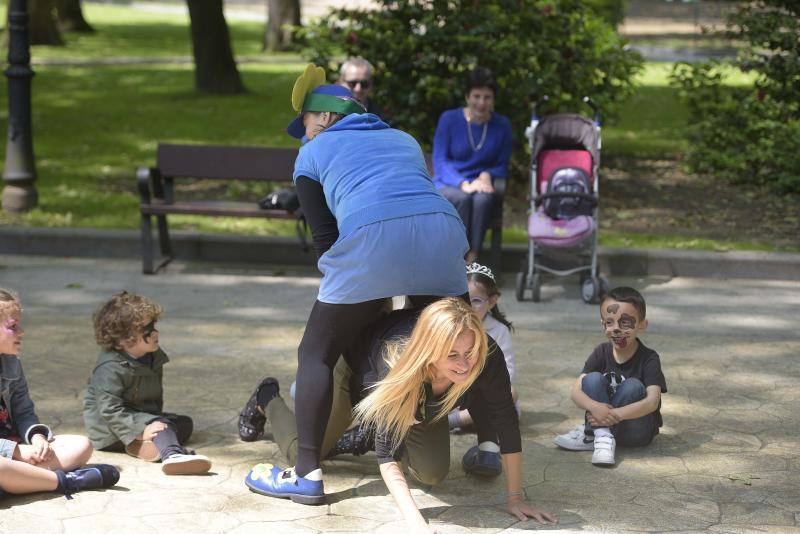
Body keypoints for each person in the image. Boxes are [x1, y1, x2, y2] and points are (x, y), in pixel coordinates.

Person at [239, 65, 469, 502]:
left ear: (323, 118)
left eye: (304, 124)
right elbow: (412, 198)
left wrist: (357, 300)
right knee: (446, 342)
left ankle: (306, 474)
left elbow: (326, 242)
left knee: (315, 352)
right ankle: (460, 435)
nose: (303, 135)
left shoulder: (311, 153)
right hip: (445, 234)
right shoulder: (404, 139)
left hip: (371, 239)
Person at [244, 298, 557, 530]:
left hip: (417, 393)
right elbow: (387, 456)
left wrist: (515, 498)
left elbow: (506, 421)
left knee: (432, 473)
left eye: (470, 352)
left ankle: (384, 425)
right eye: (453, 355)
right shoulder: (399, 366)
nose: (465, 364)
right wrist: (414, 518)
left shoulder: (484, 356)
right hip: (353, 369)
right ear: (430, 353)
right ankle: (267, 398)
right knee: (307, 453)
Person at [0, 288, 119, 500]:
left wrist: (36, 438)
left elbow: (24, 411)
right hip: (8, 455)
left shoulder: (11, 364)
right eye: (13, 326)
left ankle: (21, 480)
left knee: (81, 445)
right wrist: (15, 452)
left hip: (16, 450)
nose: (22, 331)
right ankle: (67, 481)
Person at [83, 292, 212, 476]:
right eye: (147, 329)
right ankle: (172, 456)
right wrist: (138, 431)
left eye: (155, 326)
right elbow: (109, 411)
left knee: (184, 424)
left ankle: (141, 446)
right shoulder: (110, 368)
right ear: (123, 339)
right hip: (109, 431)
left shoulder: (151, 356)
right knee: (162, 426)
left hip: (139, 417)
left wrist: (149, 424)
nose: (155, 333)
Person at [554, 286, 668, 466]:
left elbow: (652, 401)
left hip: (635, 431)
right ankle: (602, 438)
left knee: (633, 386)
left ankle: (594, 434)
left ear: (642, 324)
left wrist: (613, 414)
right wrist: (595, 408)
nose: (616, 329)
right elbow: (576, 391)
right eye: (610, 322)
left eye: (625, 323)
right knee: (590, 379)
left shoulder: (649, 358)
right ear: (602, 324)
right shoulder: (601, 352)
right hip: (605, 424)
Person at [432, 67, 513, 263]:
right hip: (449, 182)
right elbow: (440, 161)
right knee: (463, 198)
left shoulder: (502, 125)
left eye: (487, 97)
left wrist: (487, 173)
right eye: (477, 96)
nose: (482, 103)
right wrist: (464, 183)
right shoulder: (449, 119)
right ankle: (457, 256)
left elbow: (502, 163)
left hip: (480, 184)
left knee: (484, 199)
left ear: (493, 99)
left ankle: (473, 256)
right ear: (467, 97)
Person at [447, 262, 519, 475]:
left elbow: (508, 371)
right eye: (464, 300)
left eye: (476, 301)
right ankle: (458, 420)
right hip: (457, 392)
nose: (469, 308)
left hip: (486, 395)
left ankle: (454, 422)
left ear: (492, 301)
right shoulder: (452, 328)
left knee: (510, 393)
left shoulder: (499, 331)